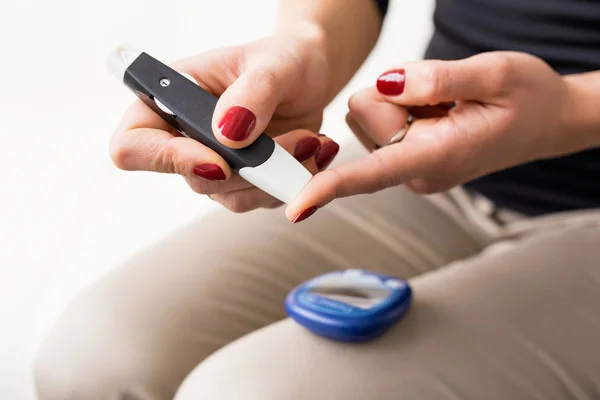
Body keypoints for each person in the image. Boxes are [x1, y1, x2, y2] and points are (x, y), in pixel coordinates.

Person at [35, 0, 600, 398]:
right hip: (426, 146)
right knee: (94, 358)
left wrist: (569, 112)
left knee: (248, 392)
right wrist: (309, 44)